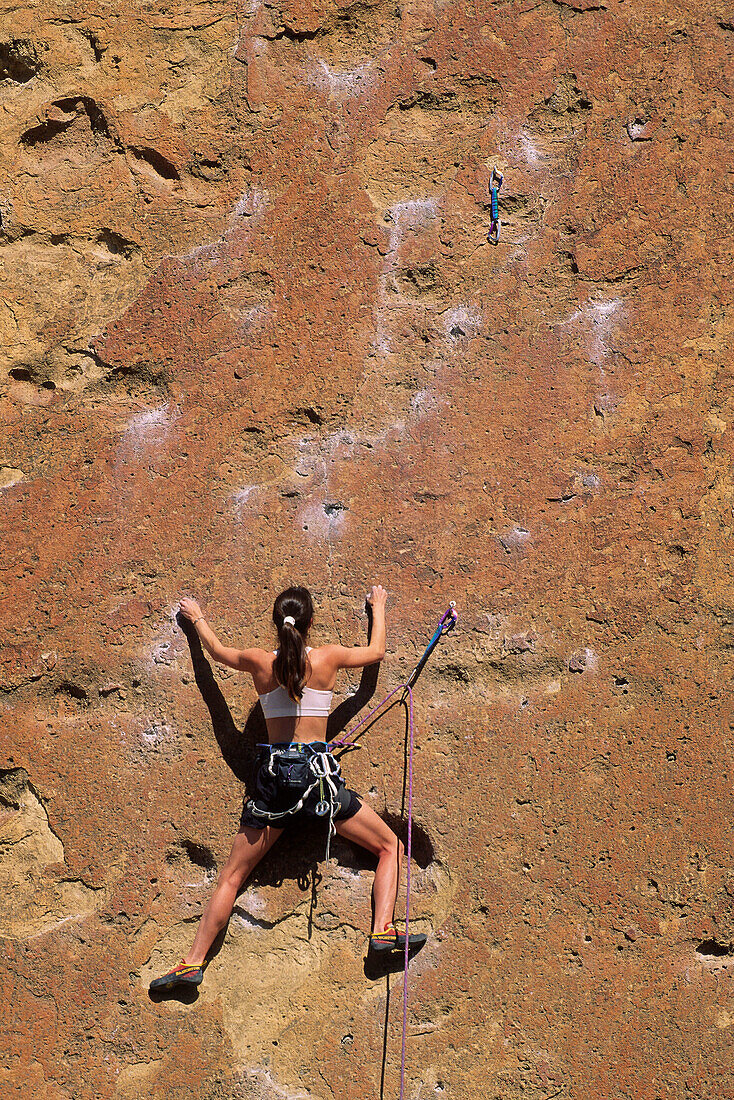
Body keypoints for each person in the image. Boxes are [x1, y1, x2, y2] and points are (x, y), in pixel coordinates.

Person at [150, 584, 424, 992]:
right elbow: (377, 654)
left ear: (276, 624)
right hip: (318, 782)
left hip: (275, 781)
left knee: (231, 877)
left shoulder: (260, 662)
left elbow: (218, 653)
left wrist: (197, 618)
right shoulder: (329, 657)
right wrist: (379, 607)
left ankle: (191, 963)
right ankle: (382, 931)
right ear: (310, 622)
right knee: (389, 848)